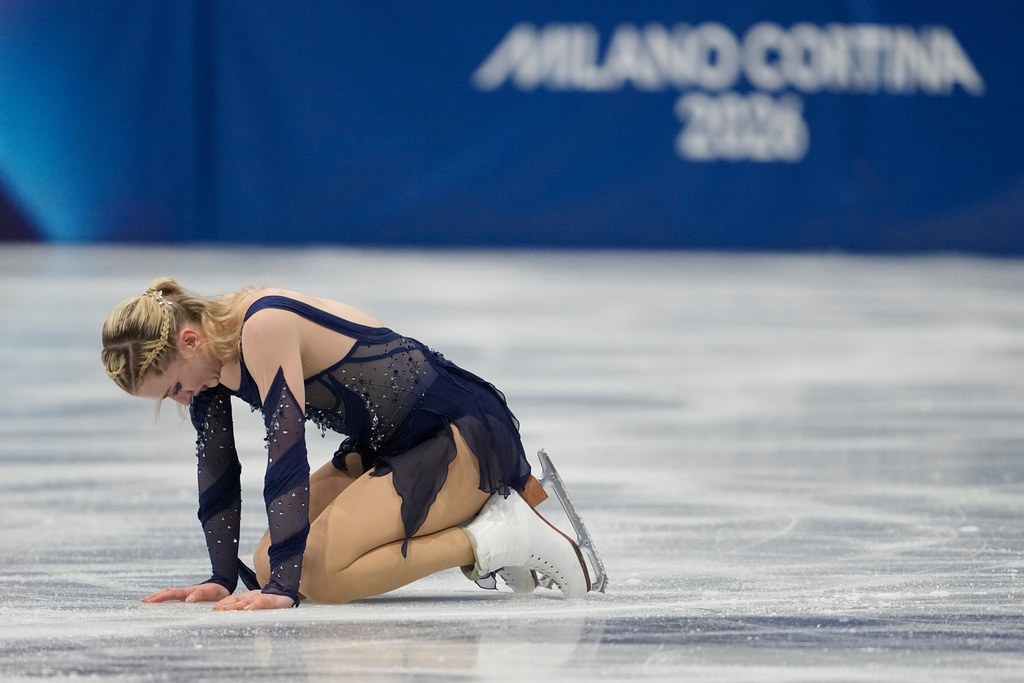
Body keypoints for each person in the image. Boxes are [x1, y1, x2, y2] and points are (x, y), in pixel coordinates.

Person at [100, 278, 599, 610]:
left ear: (188, 340)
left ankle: (497, 538)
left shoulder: (262, 325)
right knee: (273, 560)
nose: (183, 401)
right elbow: (217, 468)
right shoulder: (206, 370)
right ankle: (486, 525)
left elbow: (286, 452)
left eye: (173, 389)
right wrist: (220, 577)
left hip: (453, 432)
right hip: (385, 445)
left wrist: (283, 593)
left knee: (314, 577)